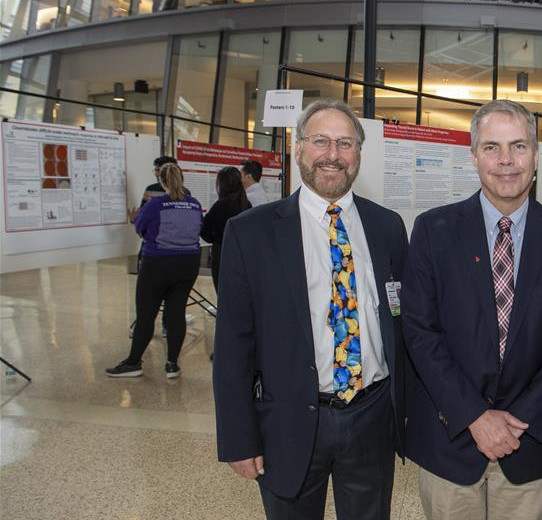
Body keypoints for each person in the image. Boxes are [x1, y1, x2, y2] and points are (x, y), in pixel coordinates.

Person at [213, 99, 409, 520]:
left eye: (345, 143)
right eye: (320, 141)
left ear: (359, 153)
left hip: (372, 416)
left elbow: (401, 321)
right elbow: (233, 345)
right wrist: (238, 439)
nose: (333, 155)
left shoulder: (388, 226)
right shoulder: (250, 232)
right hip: (289, 420)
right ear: (297, 148)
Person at [402, 99, 542, 520]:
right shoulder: (433, 230)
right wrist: (474, 416)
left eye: (518, 146)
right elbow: (420, 331)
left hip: (530, 440)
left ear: (537, 154)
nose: (506, 161)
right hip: (450, 437)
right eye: (491, 147)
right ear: (473, 156)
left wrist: (519, 418)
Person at [106, 163, 203, 379]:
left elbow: (140, 228)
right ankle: (172, 365)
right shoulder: (194, 204)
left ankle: (133, 363)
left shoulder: (155, 204)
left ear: (161, 181)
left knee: (146, 314)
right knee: (176, 312)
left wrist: (134, 220)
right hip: (188, 264)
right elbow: (198, 229)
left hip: (157, 264)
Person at [200, 166, 251, 291]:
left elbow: (205, 231)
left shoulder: (220, 205)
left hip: (222, 254)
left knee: (223, 292)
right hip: (244, 254)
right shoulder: (246, 204)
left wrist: (216, 239)